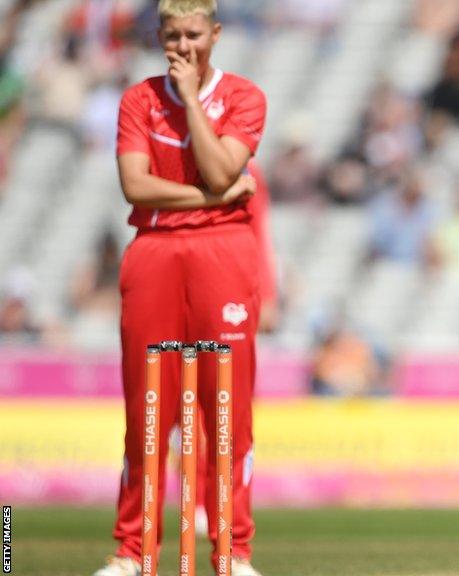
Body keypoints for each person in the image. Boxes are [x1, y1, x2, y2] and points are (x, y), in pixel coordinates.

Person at [94, 1, 266, 575]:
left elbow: (221, 167)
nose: (183, 47)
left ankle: (231, 555)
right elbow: (136, 187)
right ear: (159, 37)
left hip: (224, 257)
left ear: (214, 34)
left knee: (225, 412)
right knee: (148, 412)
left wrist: (192, 98)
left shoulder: (244, 97)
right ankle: (133, 555)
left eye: (194, 35)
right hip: (155, 254)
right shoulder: (138, 99)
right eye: (172, 36)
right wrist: (214, 198)